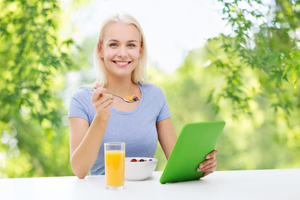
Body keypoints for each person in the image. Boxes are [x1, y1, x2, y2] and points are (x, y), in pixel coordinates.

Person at [68, 13, 218, 179]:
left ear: (140, 50)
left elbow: (178, 162)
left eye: (131, 45)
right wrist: (101, 118)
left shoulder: (155, 96)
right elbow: (79, 170)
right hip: (105, 192)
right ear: (100, 50)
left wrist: (201, 166)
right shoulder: (81, 99)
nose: (123, 53)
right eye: (114, 44)